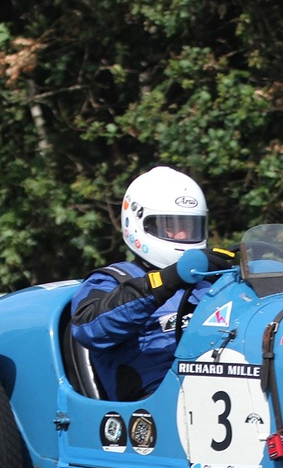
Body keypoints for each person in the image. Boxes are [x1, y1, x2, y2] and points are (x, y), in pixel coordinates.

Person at [71, 166, 234, 400]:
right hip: (156, 404)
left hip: (223, 384)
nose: (181, 236)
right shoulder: (112, 279)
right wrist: (166, 281)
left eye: (189, 227)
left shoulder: (207, 281)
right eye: (171, 226)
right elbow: (88, 328)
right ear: (139, 223)